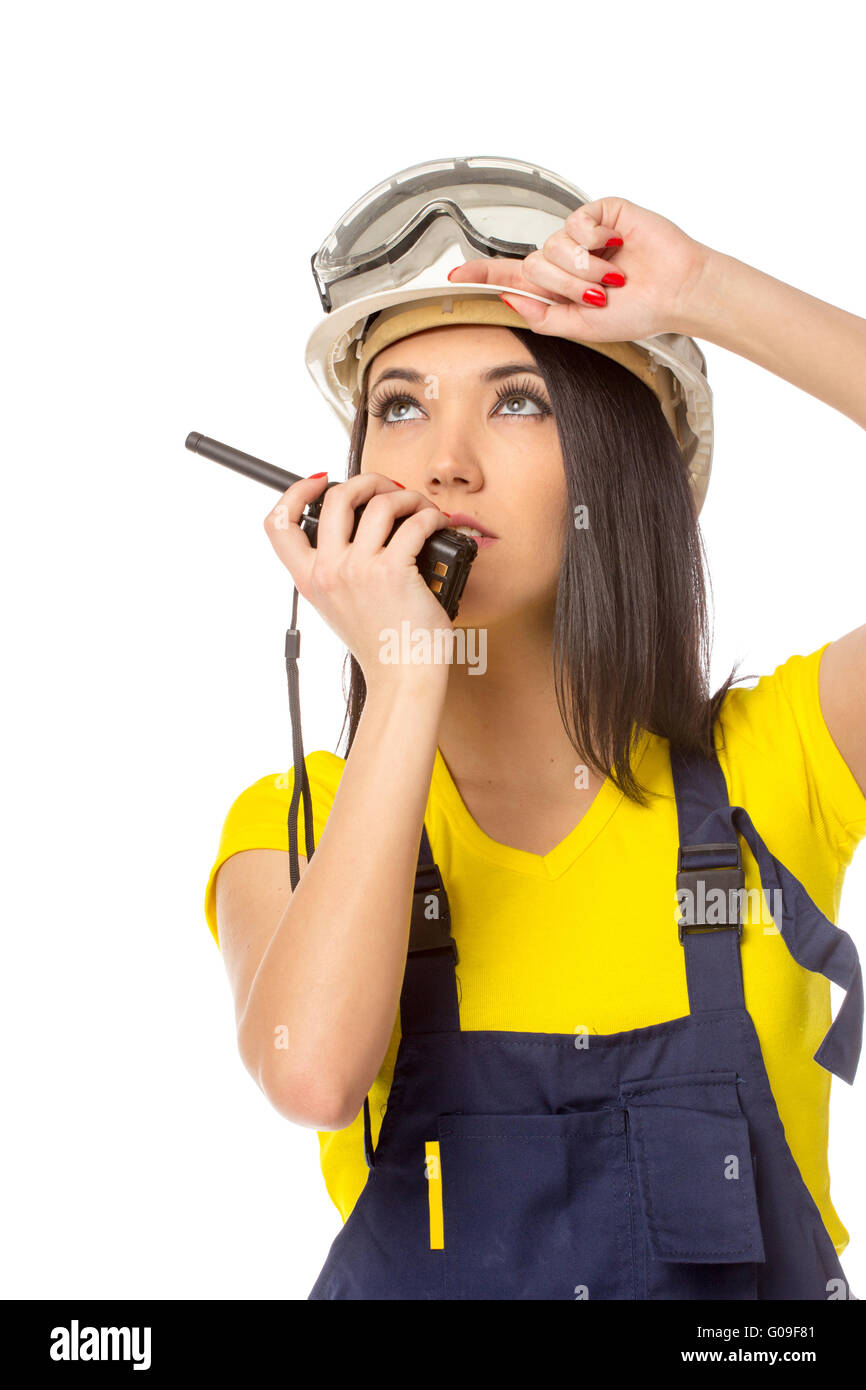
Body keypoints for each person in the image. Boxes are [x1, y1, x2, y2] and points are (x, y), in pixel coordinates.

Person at [203, 160, 866, 1300]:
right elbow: (309, 1073)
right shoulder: (297, 825)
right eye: (398, 405)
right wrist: (406, 671)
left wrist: (702, 290)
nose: (441, 459)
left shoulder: (783, 762)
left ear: (619, 460)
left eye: (518, 400)